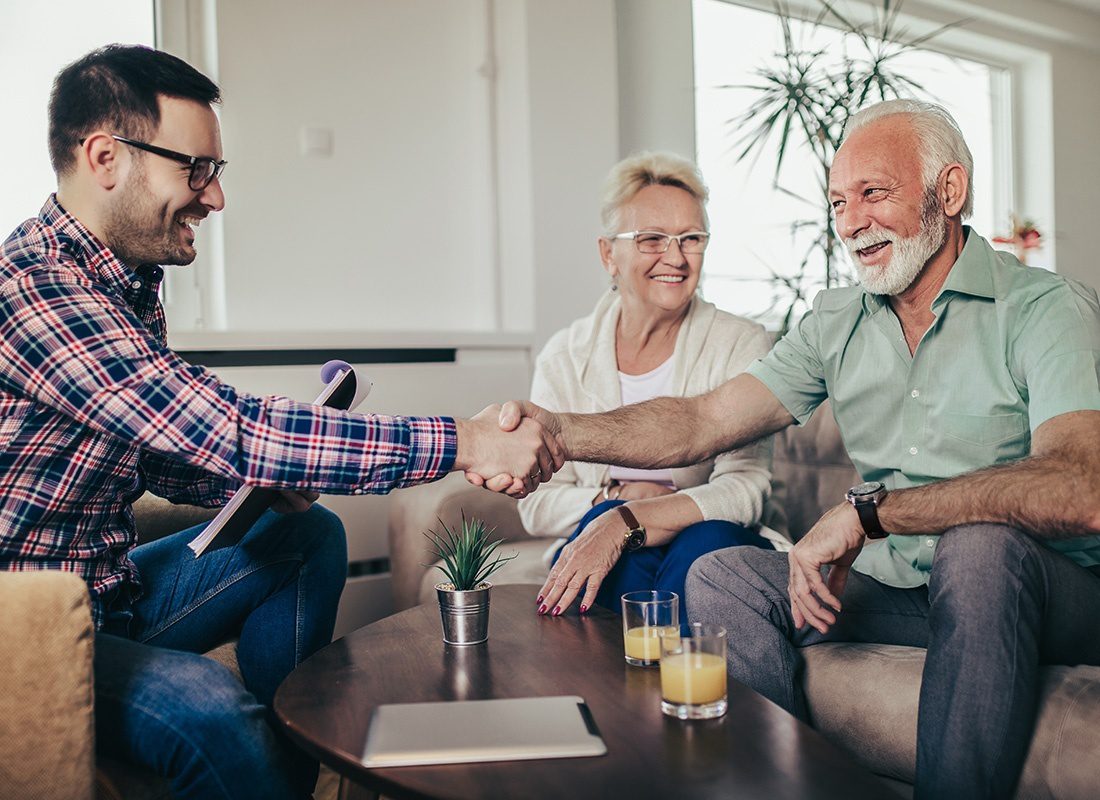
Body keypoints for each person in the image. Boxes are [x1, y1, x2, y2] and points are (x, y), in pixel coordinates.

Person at [477, 99, 1100, 799]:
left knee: (980, 547)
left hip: (1046, 594)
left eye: (873, 192)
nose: (851, 220)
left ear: (948, 192)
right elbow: (701, 422)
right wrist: (559, 433)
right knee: (724, 577)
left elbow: (1081, 488)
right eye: (838, 201)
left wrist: (872, 515)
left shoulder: (1046, 309)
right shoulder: (836, 323)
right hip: (906, 591)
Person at [0, 45, 560, 800]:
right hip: (27, 633)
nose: (216, 197)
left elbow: (154, 452)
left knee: (308, 534)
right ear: (106, 156)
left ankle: (289, 770)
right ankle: (255, 760)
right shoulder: (34, 292)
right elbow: (224, 426)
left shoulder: (123, 282)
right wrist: (466, 440)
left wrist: (265, 480)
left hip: (111, 595)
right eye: (195, 169)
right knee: (209, 710)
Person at [518, 152, 784, 623]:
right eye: (652, 239)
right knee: (608, 543)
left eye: (691, 239)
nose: (676, 257)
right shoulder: (564, 356)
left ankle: (661, 692)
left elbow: (747, 486)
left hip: (707, 533)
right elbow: (537, 501)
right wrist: (612, 502)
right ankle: (644, 692)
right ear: (608, 254)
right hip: (603, 526)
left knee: (707, 549)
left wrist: (646, 513)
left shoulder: (740, 343)